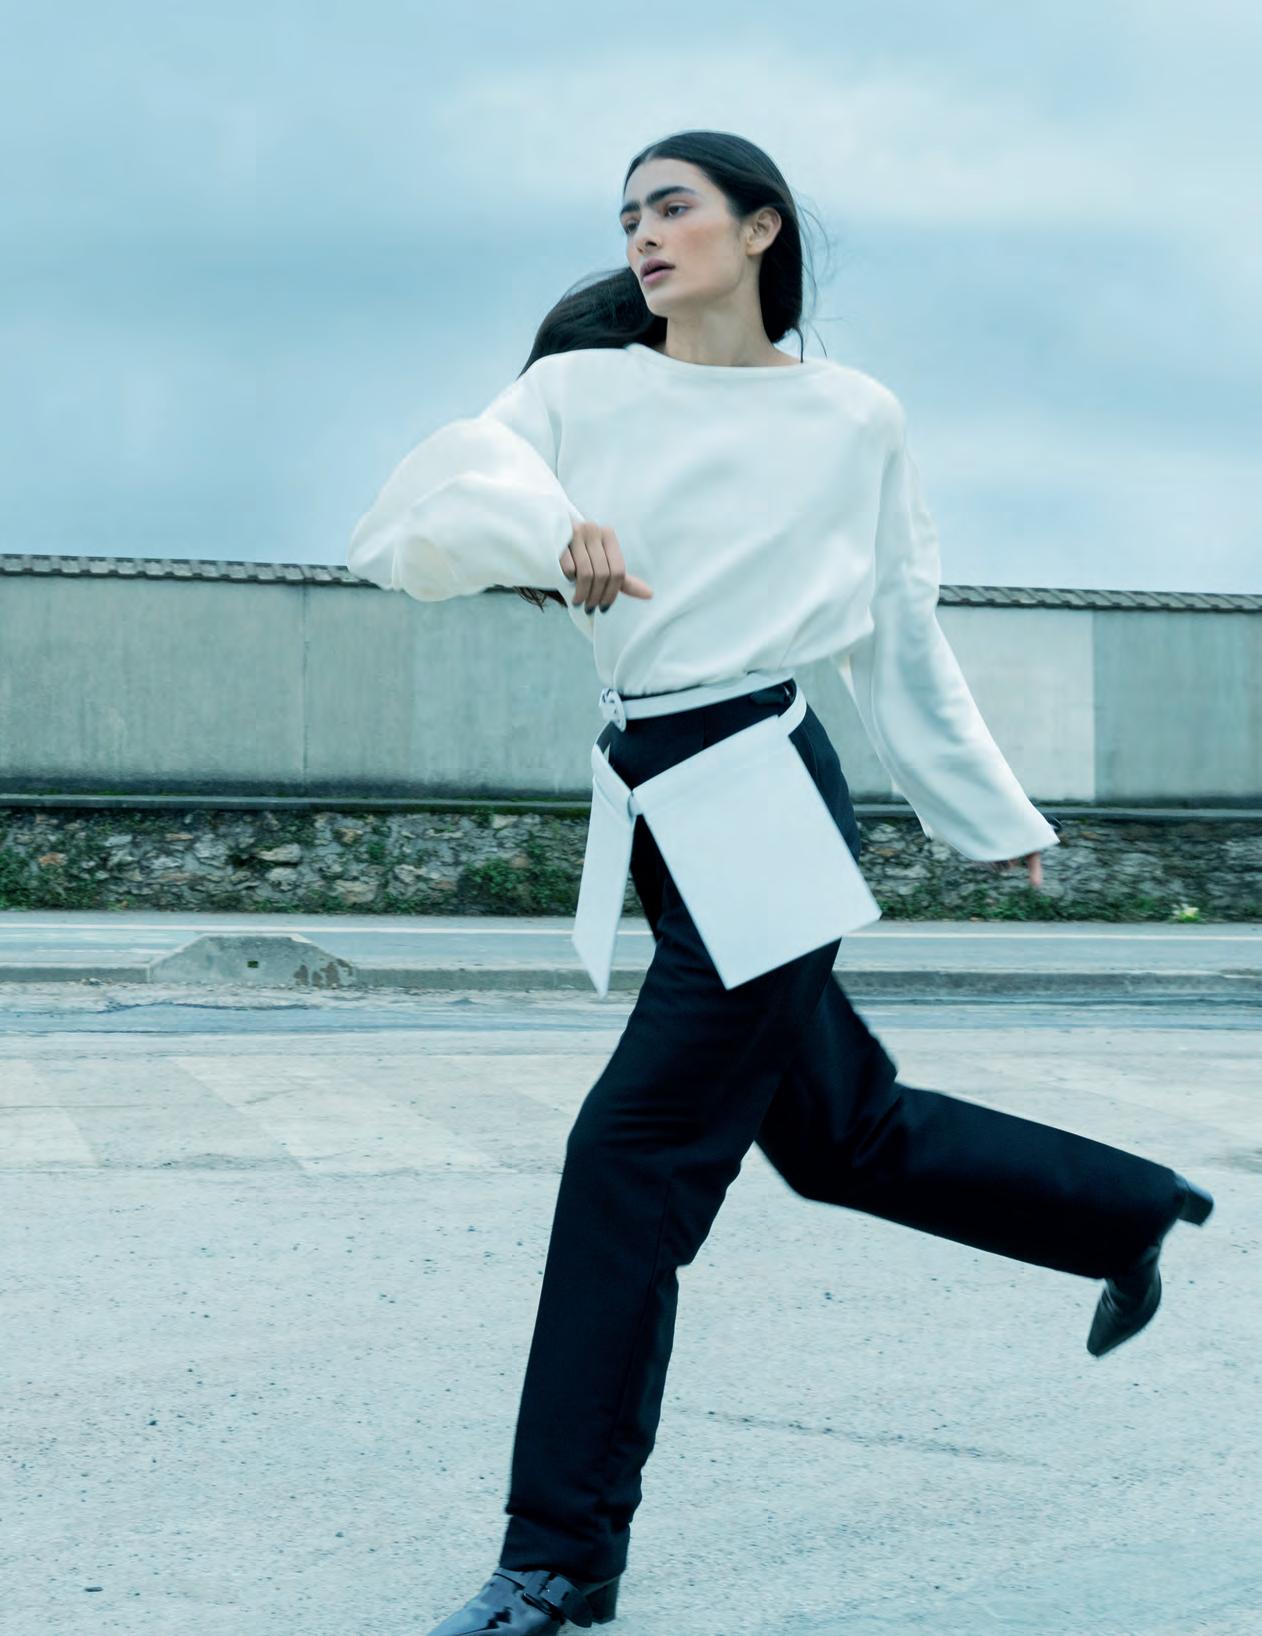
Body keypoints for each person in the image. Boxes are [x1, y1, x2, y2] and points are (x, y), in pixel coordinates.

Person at [346, 131, 1214, 1636]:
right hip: (659, 800)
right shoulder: (577, 394)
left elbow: (898, 629)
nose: (643, 233)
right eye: (627, 214)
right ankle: (1122, 1214)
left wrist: (983, 808)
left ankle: (559, 1556)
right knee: (839, 1132)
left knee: (628, 1162)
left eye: (673, 206)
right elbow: (422, 512)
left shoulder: (851, 416)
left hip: (763, 793)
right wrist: (551, 530)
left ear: (759, 229)